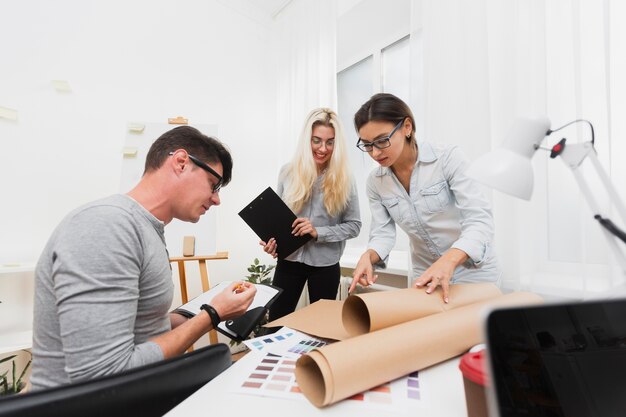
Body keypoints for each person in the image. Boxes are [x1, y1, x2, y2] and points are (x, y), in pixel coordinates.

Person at [30, 126, 257, 390]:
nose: (217, 199)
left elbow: (137, 321)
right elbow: (103, 375)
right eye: (213, 184)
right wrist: (212, 314)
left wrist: (204, 313)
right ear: (181, 163)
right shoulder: (107, 225)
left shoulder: (144, 227)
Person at [348, 93, 500, 303]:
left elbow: (479, 220)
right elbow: (382, 233)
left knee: (476, 333)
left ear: (407, 127)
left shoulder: (446, 158)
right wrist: (368, 257)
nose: (374, 153)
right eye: (367, 145)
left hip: (473, 271)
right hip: (426, 273)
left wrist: (448, 261)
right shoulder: (376, 182)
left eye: (382, 140)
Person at [261, 108, 361, 321]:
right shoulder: (287, 172)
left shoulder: (345, 179)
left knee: (322, 328)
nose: (323, 148)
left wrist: (318, 232)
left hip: (325, 266)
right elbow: (277, 219)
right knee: (276, 321)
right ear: (307, 139)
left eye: (330, 142)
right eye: (316, 140)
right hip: (288, 261)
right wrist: (272, 241)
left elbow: (354, 225)